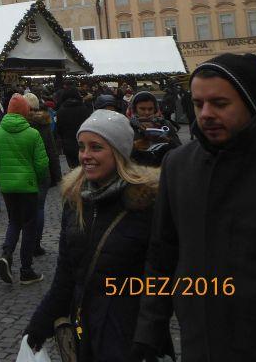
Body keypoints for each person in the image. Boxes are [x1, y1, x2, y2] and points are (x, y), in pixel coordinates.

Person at [133, 53, 256, 361]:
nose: (205, 114)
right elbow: (162, 254)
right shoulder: (178, 165)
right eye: (198, 104)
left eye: (219, 104)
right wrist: (149, 331)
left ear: (249, 102)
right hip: (201, 343)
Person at [25, 110, 171, 361]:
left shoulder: (147, 203)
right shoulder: (75, 200)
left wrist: (148, 334)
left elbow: (161, 278)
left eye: (96, 147)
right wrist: (39, 325)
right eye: (82, 147)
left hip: (128, 330)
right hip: (85, 325)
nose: (85, 156)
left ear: (118, 151)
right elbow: (66, 274)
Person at [0, 94, 48, 285]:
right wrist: (37, 179)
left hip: (7, 186)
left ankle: (7, 253)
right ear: (25, 111)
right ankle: (26, 270)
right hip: (28, 186)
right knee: (29, 226)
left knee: (14, 222)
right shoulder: (32, 133)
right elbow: (42, 163)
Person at [25, 93, 62, 257]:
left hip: (23, 172)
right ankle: (36, 244)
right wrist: (57, 175)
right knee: (39, 208)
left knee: (23, 212)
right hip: (42, 172)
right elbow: (52, 151)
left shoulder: (20, 124)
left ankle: (19, 244)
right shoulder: (44, 124)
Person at [128, 91, 181, 167]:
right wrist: (135, 146)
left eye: (150, 109)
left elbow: (180, 150)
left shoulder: (165, 124)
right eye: (142, 109)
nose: (147, 113)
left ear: (155, 109)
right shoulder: (128, 126)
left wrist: (168, 142)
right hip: (136, 171)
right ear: (134, 109)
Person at [55, 87, 91, 168]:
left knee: (73, 168)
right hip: (83, 142)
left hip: (68, 143)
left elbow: (59, 129)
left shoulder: (61, 111)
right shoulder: (84, 109)